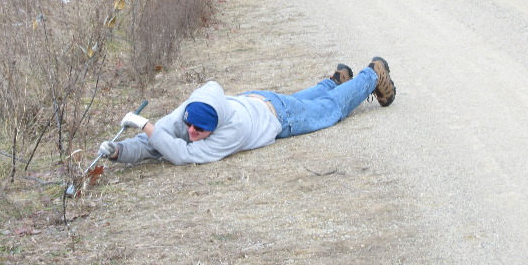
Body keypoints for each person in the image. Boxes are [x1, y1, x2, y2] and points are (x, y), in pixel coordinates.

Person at [97, 58, 396, 166]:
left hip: (279, 116)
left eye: (199, 130)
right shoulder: (191, 111)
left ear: (215, 126)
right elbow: (156, 141)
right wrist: (119, 151)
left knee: (330, 110)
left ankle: (373, 74)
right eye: (190, 126)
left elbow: (180, 155)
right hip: (260, 100)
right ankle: (335, 81)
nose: (191, 132)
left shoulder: (231, 131)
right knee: (304, 101)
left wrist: (145, 124)